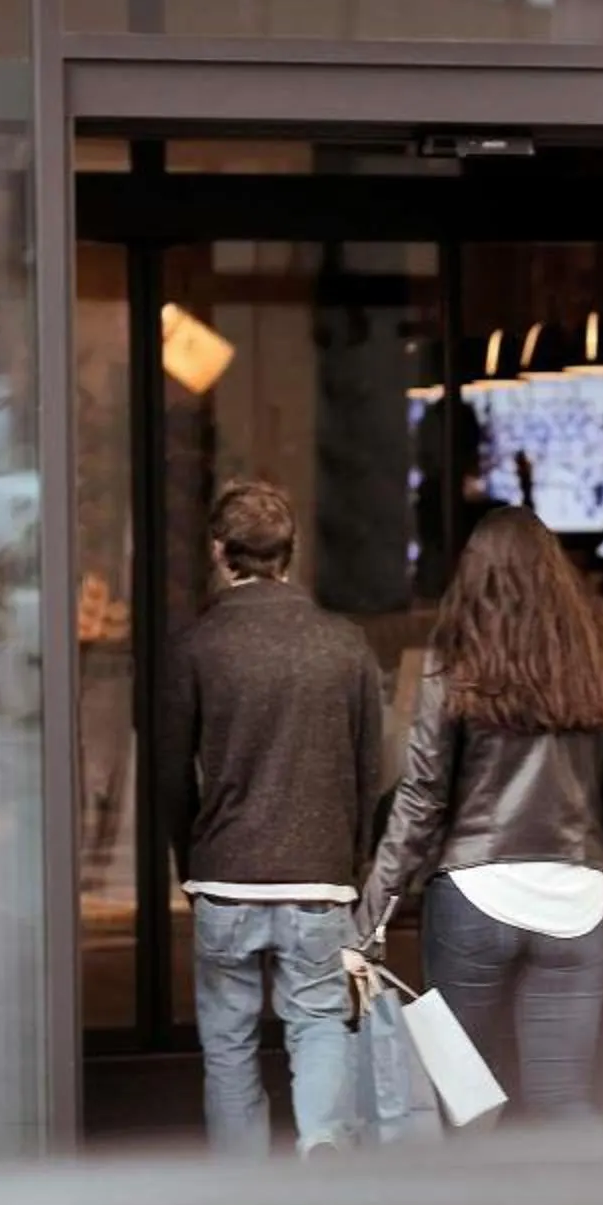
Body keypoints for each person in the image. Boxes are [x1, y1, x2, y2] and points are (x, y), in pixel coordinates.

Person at [350, 509, 603, 1121]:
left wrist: (370, 921)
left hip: (474, 896)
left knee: (467, 1096)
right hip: (578, 902)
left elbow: (423, 798)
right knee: (564, 1101)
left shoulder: (453, 665)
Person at [163, 479, 385, 1157]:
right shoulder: (345, 645)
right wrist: (351, 863)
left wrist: (190, 863)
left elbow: (173, 772)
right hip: (318, 878)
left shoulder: (198, 645)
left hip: (226, 874)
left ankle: (245, 1193)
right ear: (289, 554)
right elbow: (369, 768)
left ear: (219, 552)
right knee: (318, 1026)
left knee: (228, 1046)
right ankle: (322, 1163)